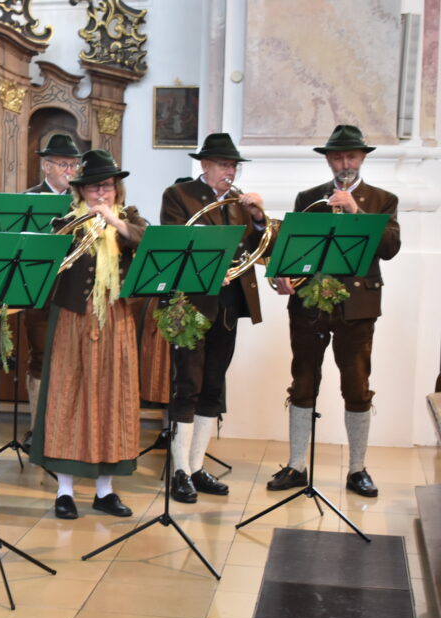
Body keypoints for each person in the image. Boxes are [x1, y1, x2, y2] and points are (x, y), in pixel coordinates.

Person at [268, 125, 400, 497]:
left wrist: (356, 210)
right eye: (337, 157)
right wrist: (281, 274)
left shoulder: (382, 199)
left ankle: (357, 468)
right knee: (303, 382)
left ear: (362, 158)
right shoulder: (308, 197)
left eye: (351, 156)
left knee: (356, 386)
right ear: (328, 160)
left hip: (357, 306)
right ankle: (296, 465)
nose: (344, 163)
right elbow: (291, 248)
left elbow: (390, 247)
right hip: (308, 304)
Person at [30, 150, 146, 518]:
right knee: (68, 397)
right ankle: (64, 491)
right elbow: (48, 264)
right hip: (73, 319)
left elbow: (146, 240)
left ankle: (105, 491)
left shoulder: (130, 218)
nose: (101, 193)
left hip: (116, 318)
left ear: (116, 189)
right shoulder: (66, 221)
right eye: (94, 188)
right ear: (81, 191)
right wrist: (83, 226)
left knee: (113, 399)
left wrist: (114, 222)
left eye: (107, 187)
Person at [159, 133, 267, 503]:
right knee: (187, 385)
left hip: (229, 305)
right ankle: (179, 470)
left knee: (213, 387)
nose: (229, 171)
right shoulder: (180, 195)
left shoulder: (240, 203)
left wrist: (258, 217)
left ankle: (196, 466)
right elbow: (174, 244)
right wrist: (209, 265)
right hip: (192, 303)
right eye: (223, 164)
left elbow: (261, 248)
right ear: (205, 165)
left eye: (233, 165)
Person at [22, 133, 82, 447]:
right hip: (40, 290)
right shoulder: (29, 200)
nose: (70, 171)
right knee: (40, 357)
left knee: (72, 359)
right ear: (46, 166)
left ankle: (65, 429)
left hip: (74, 291)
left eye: (74, 165)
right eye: (63, 164)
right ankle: (37, 429)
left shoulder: (82, 200)